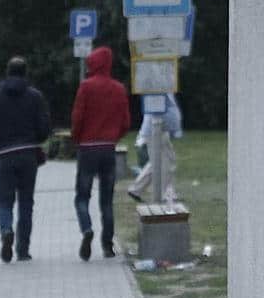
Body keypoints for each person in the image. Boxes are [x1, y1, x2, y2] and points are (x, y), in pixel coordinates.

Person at [0, 58, 51, 264]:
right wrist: (36, 139)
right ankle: (23, 249)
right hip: (28, 154)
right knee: (26, 202)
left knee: (4, 199)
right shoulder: (35, 97)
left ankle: (6, 228)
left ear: (7, 72)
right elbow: (44, 127)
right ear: (25, 73)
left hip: (4, 154)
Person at [70, 46, 129, 260]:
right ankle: (107, 245)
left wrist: (77, 138)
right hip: (108, 148)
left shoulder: (86, 87)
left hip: (87, 148)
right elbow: (125, 121)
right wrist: (114, 137)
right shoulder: (119, 88)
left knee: (82, 196)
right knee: (106, 200)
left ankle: (86, 229)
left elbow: (78, 117)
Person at [128, 93, 182, 202]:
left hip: (158, 128)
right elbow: (167, 110)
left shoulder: (161, 89)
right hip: (155, 128)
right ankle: (166, 194)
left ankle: (136, 189)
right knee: (167, 162)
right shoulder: (160, 89)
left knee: (157, 162)